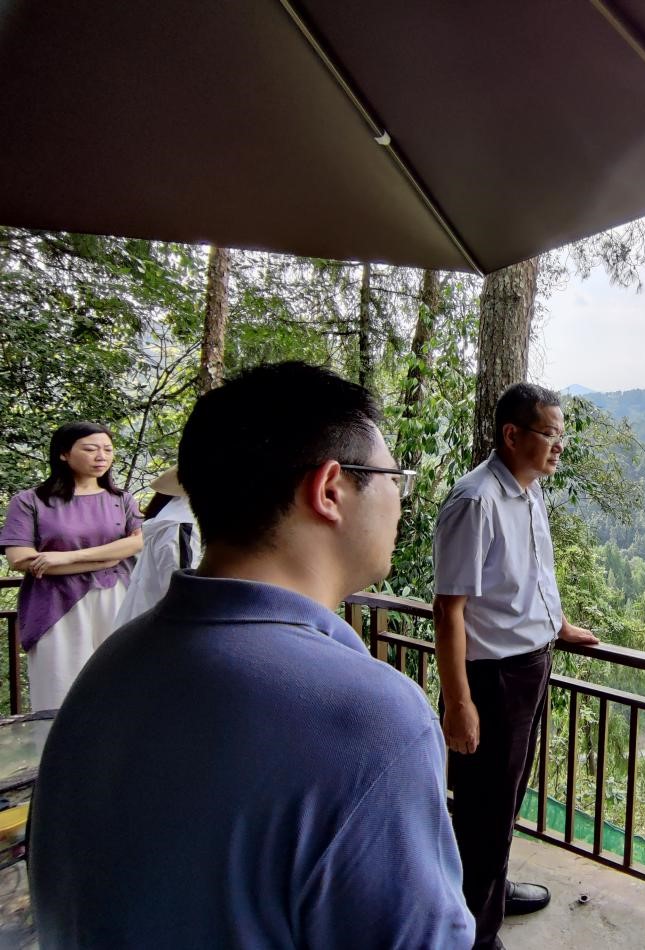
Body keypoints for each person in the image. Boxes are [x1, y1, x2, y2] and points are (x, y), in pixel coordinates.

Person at [29, 362, 474, 948]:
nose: (401, 501)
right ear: (330, 490)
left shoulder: (114, 662)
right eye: (395, 479)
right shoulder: (369, 716)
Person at [433, 382, 599, 950]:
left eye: (561, 435)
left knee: (505, 797)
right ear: (511, 434)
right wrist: (459, 704)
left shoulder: (529, 492)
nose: (559, 446)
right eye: (550, 434)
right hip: (494, 677)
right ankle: (474, 934)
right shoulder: (475, 501)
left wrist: (558, 625)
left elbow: (533, 574)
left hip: (531, 664)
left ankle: (491, 893)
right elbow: (449, 608)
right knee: (482, 807)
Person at [0, 422, 142, 711]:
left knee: (120, 689)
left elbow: (137, 543)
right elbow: (20, 558)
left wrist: (64, 557)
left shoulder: (122, 500)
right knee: (59, 690)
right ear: (64, 454)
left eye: (108, 450)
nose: (101, 456)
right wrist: (106, 558)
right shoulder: (30, 501)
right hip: (55, 604)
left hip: (117, 600)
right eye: (90, 449)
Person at [113, 466, 202, 629]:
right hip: (168, 633)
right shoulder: (183, 525)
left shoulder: (179, 519)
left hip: (149, 628)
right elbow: (184, 598)